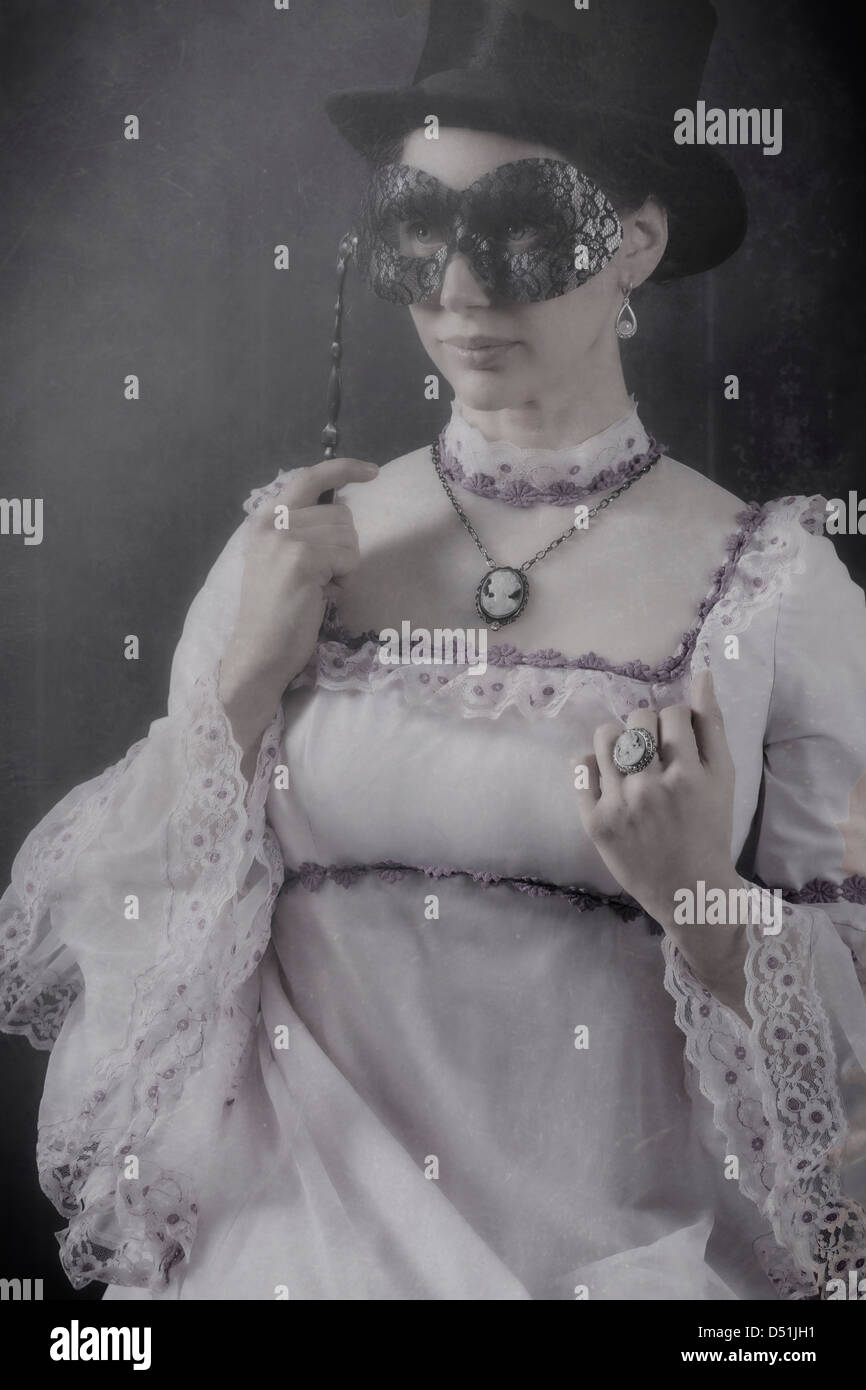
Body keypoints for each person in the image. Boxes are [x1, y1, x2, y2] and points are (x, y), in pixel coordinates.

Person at [2, 0, 865, 1301]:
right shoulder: (290, 546)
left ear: (634, 240)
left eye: (523, 229)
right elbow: (139, 936)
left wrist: (694, 892)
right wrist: (241, 686)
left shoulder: (777, 581)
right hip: (291, 1251)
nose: (461, 290)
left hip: (612, 1258)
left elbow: (851, 1047)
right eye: (418, 229)